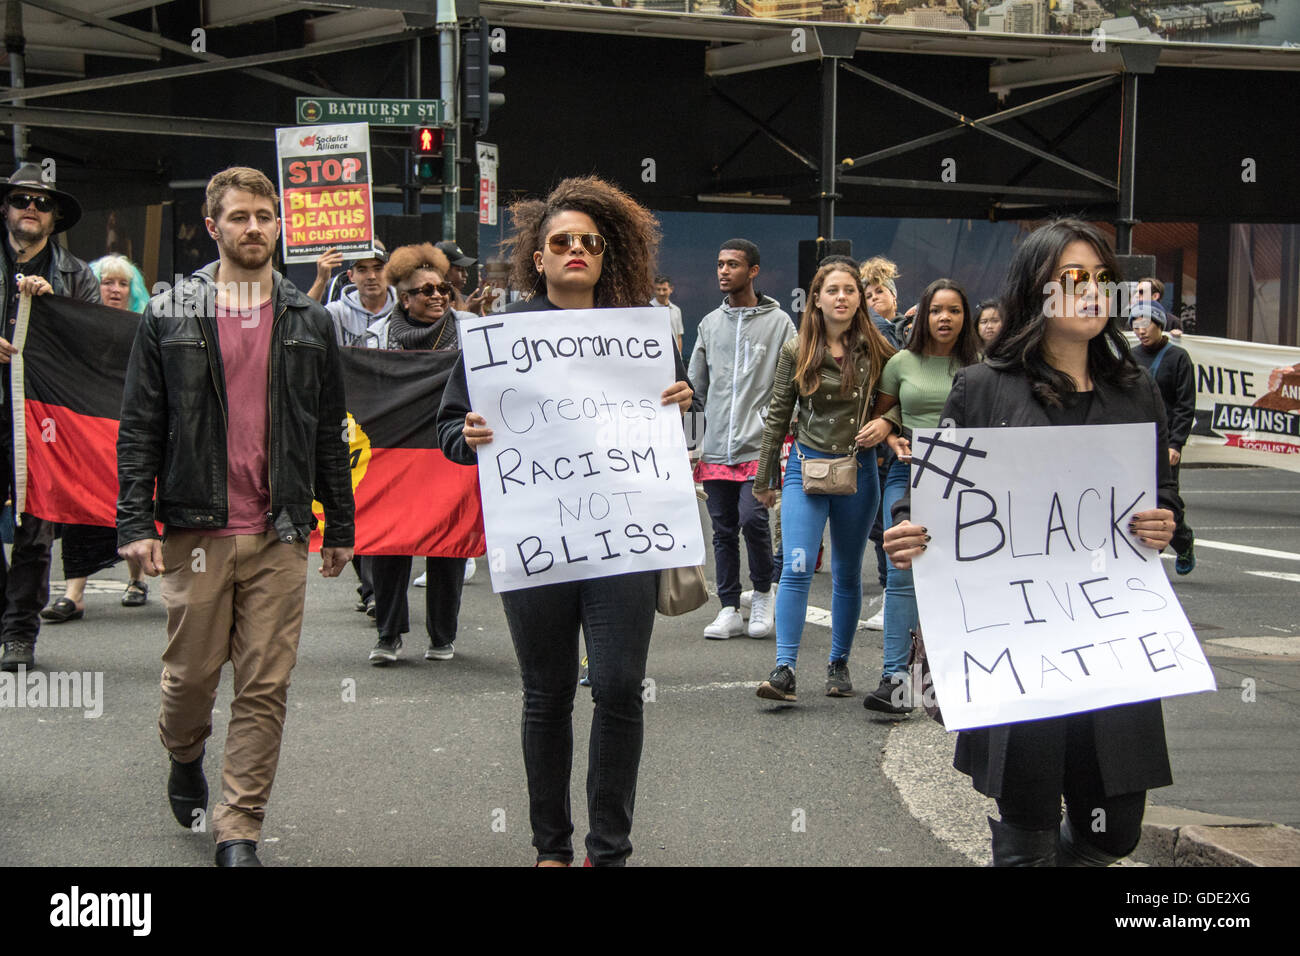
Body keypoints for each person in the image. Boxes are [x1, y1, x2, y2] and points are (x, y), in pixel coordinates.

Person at [884, 219, 1180, 867]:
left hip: (1112, 642)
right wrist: (910, 525)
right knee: (1029, 826)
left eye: (1104, 279)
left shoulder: (1135, 391)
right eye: (1074, 279)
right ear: (1037, 291)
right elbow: (934, 495)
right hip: (1019, 642)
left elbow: (1165, 498)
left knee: (1113, 832)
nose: (1093, 292)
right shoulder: (984, 388)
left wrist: (1165, 524)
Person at [437, 176, 694, 866]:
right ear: (539, 258)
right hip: (538, 542)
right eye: (561, 242)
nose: (576, 250)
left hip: (624, 544)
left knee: (616, 687)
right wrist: (469, 434)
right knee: (547, 694)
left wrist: (679, 401)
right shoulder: (499, 337)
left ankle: (608, 848)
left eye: (589, 242)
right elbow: (448, 431)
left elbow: (663, 433)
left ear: (607, 257)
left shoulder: (640, 335)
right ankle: (551, 847)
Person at [117, 166, 354, 867]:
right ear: (213, 224)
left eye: (265, 216)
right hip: (196, 527)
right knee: (190, 681)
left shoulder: (308, 320)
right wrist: (135, 523)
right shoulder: (170, 312)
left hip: (281, 530)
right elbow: (140, 424)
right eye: (241, 216)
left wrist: (337, 525)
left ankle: (239, 827)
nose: (255, 228)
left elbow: (326, 429)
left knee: (264, 684)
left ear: (279, 225)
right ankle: (183, 750)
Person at [753, 263, 895, 700]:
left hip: (860, 470)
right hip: (805, 468)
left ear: (859, 298)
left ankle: (839, 664)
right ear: (816, 298)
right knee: (796, 567)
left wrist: (887, 422)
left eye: (850, 290)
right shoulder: (797, 348)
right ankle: (784, 669)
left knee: (847, 573)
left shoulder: (880, 348)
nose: (841, 297)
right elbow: (778, 414)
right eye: (832, 290)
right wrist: (765, 476)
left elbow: (902, 401)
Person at [861, 277, 982, 714]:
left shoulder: (982, 366)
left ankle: (952, 676)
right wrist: (892, 432)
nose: (944, 318)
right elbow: (882, 414)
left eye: (953, 310)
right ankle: (895, 679)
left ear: (965, 317)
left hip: (968, 478)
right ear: (922, 316)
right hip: (906, 472)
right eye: (936, 310)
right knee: (901, 570)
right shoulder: (900, 363)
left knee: (959, 575)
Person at [0, 164, 99, 672]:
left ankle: (19, 632)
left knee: (34, 531)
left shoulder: (76, 275)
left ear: (55, 216)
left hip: (42, 421)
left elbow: (91, 348)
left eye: (41, 203)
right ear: (6, 208)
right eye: (21, 200)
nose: (30, 210)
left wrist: (54, 305)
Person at [366, 242, 473, 665]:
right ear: (404, 297)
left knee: (448, 542)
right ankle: (388, 635)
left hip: (448, 452)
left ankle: (442, 636)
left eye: (443, 289)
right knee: (389, 543)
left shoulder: (468, 328)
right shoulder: (377, 337)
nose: (437, 297)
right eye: (425, 290)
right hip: (397, 455)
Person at [689, 239, 794, 640]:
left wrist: (780, 426)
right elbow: (694, 390)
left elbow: (795, 381)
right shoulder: (708, 324)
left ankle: (764, 594)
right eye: (719, 264)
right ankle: (730, 608)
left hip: (759, 444)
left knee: (754, 520)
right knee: (722, 529)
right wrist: (690, 446)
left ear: (753, 271)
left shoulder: (781, 323)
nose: (723, 271)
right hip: (715, 445)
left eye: (732, 265)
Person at [40, 255, 150, 625]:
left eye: (123, 284)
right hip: (86, 428)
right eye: (107, 283)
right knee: (81, 500)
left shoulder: (144, 324)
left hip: (128, 425)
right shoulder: (78, 326)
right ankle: (74, 594)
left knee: (132, 497)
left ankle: (136, 581)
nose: (115, 290)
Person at [1131, 302, 1196, 574]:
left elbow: (1185, 405)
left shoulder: (1178, 358)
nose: (1141, 331)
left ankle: (1184, 542)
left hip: (1164, 442)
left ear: (1160, 325)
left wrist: (1175, 443)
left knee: (1167, 500)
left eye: (1146, 325)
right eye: (1136, 327)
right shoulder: (1129, 357)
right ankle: (1143, 559)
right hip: (1134, 442)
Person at [324, 240, 394, 349]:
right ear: (351, 276)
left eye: (378, 269)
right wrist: (320, 280)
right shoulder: (336, 312)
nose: (371, 276)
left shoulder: (405, 308)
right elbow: (303, 326)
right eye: (362, 270)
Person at [435, 240, 498, 316]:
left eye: (465, 269)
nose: (466, 274)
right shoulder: (430, 303)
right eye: (460, 269)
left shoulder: (467, 301)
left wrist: (475, 315)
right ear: (443, 270)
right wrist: (465, 313)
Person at [860, 256, 905, 348]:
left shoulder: (910, 329)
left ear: (893, 295)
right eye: (868, 296)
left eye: (879, 291)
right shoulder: (861, 334)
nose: (874, 297)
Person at [651, 274, 684, 352]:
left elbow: (678, 336)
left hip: (673, 356)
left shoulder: (676, 310)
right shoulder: (649, 308)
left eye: (664, 289)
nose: (661, 293)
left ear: (671, 289)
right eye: (658, 289)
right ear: (654, 290)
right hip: (655, 354)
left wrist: (679, 357)